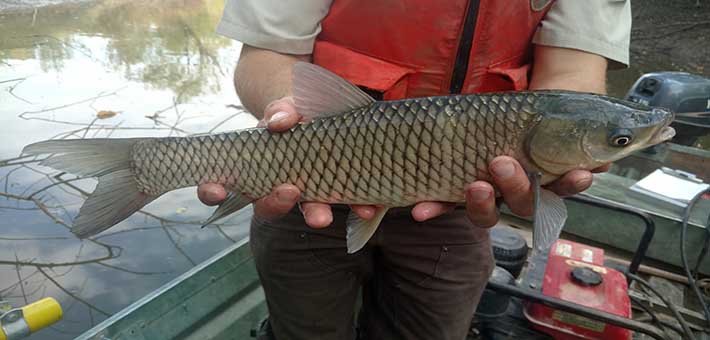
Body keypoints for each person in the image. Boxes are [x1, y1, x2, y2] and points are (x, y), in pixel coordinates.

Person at [201, 1, 631, 339]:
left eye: (620, 142)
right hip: (307, 189)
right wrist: (294, 112)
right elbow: (267, 51)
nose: (618, 147)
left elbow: (571, 80)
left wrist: (555, 162)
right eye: (620, 141)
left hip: (461, 203)